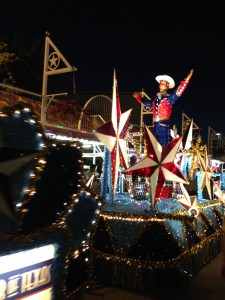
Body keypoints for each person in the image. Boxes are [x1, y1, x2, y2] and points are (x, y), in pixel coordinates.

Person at [133, 69, 194, 146]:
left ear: (167, 86)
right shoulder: (156, 99)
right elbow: (147, 103)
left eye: (163, 83)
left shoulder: (169, 99)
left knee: (164, 147)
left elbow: (179, 91)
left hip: (163, 126)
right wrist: (139, 98)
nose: (160, 84)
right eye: (160, 83)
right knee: (155, 147)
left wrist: (186, 80)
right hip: (155, 126)